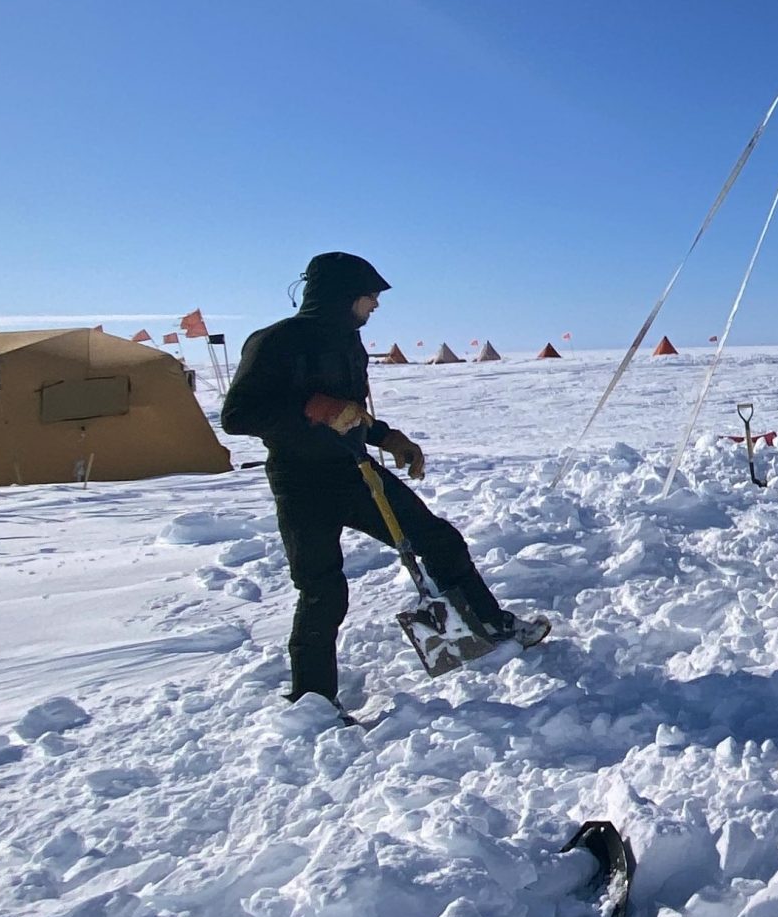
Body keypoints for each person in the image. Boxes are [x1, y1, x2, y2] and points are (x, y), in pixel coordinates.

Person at [221, 252, 540, 710]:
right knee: (322, 588)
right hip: (300, 481)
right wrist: (314, 409)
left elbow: (350, 415)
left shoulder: (349, 343)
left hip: (355, 472)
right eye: (369, 295)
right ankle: (313, 701)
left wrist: (387, 437)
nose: (375, 305)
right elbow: (237, 416)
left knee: (438, 539)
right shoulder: (275, 342)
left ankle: (493, 627)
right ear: (341, 295)